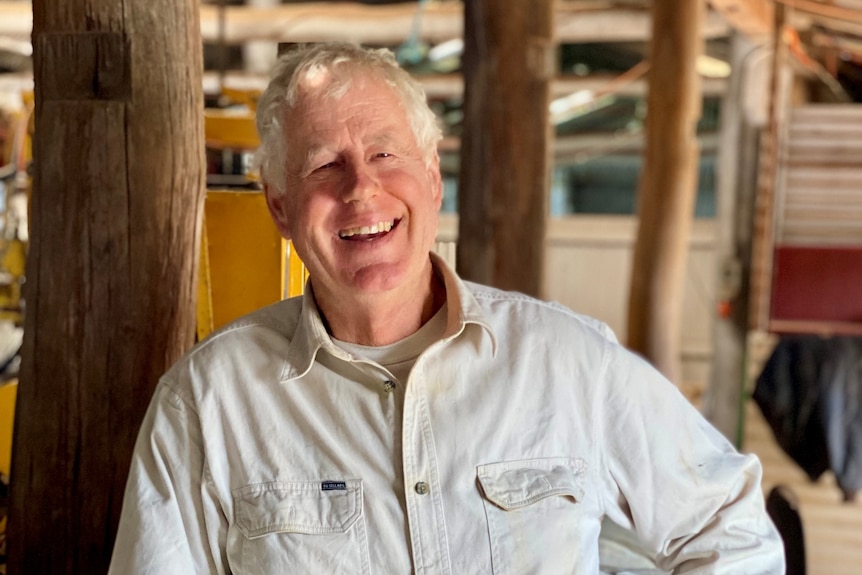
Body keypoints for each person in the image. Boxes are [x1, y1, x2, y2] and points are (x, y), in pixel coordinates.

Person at [109, 42, 784, 574]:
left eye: (384, 153)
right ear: (280, 206)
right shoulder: (208, 403)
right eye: (323, 166)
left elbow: (731, 528)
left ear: (431, 178)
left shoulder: (566, 362)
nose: (361, 190)